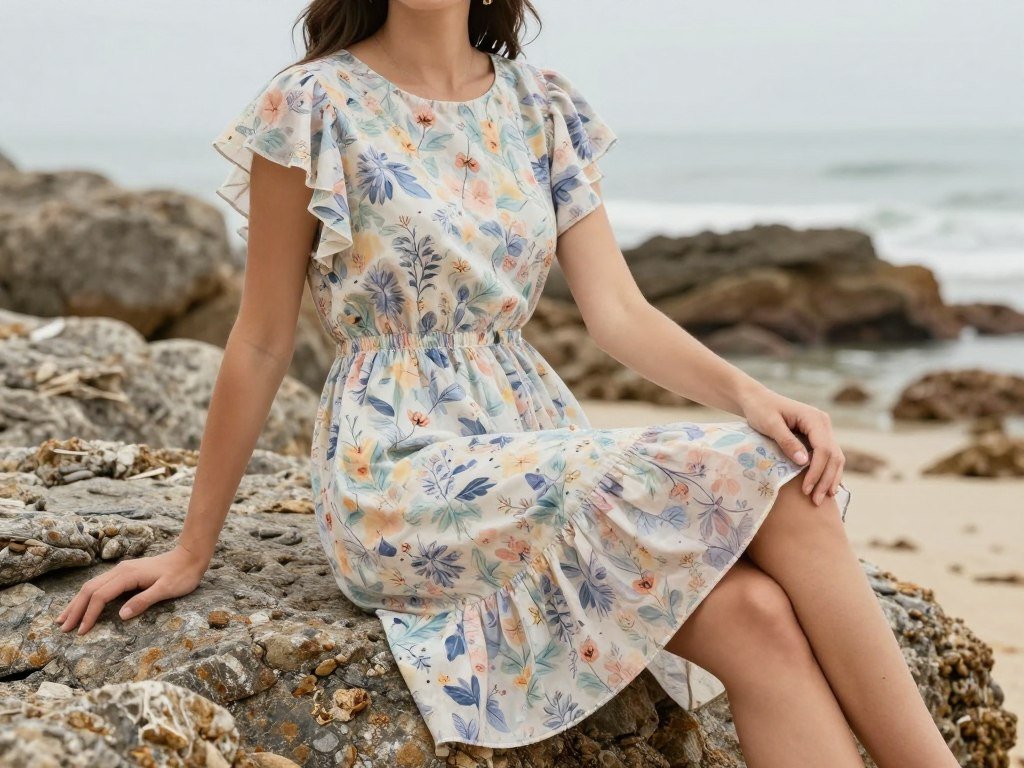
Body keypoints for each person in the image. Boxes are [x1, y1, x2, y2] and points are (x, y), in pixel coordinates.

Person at [57, 1, 961, 765]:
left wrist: (754, 398)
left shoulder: (540, 104)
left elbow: (618, 312)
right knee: (776, 488)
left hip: (526, 430)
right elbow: (259, 342)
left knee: (757, 615)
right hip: (396, 468)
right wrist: (191, 551)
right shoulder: (311, 103)